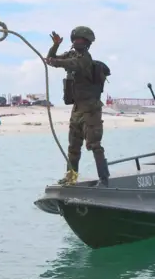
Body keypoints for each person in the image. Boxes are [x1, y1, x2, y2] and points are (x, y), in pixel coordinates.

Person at [45, 26, 110, 186]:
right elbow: (51, 59)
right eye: (75, 39)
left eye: (80, 40)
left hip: (91, 110)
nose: (76, 42)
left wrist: (55, 61)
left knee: (94, 145)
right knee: (73, 147)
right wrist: (55, 45)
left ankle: (104, 178)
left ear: (86, 43)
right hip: (77, 109)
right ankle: (71, 178)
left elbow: (66, 63)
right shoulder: (73, 54)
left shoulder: (84, 59)